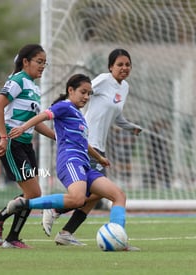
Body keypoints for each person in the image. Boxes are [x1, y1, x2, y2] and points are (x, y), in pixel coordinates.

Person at [7, 73, 139, 251]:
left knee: (118, 195)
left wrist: (99, 158)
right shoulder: (64, 106)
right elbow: (44, 115)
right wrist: (24, 127)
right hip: (70, 160)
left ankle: (119, 239)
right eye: (83, 92)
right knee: (77, 199)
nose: (86, 97)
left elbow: (84, 142)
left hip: (84, 163)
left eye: (89, 94)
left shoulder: (78, 115)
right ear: (70, 90)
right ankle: (25, 204)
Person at [42, 49, 142, 246]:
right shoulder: (104, 80)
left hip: (99, 147)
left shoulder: (125, 88)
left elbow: (116, 116)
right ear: (110, 67)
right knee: (108, 194)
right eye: (120, 64)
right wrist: (62, 107)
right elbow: (82, 90)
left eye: (127, 65)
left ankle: (65, 231)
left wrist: (130, 127)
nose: (124, 68)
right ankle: (56, 209)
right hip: (87, 145)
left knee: (95, 196)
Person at [0, 44, 55, 249]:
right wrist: (3, 137)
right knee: (34, 193)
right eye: (39, 61)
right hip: (12, 144)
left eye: (45, 62)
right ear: (26, 62)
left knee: (33, 195)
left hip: (26, 145)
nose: (43, 66)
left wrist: (57, 137)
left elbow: (35, 121)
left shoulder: (34, 88)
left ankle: (11, 237)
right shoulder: (18, 80)